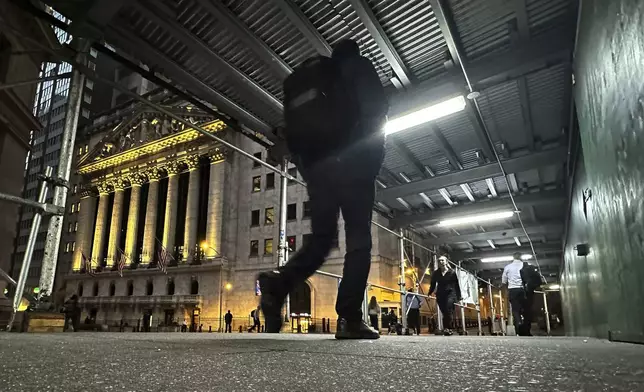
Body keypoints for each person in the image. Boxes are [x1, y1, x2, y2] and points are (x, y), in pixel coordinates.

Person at [258, 38, 388, 340]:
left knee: (322, 237)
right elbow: (376, 112)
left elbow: (296, 135)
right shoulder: (358, 68)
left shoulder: (319, 80)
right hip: (355, 166)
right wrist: (372, 161)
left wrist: (313, 169)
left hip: (319, 170)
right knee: (358, 240)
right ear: (354, 51)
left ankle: (278, 284)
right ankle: (350, 318)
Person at [429, 256, 462, 336]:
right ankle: (446, 328)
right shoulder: (436, 273)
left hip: (450, 293)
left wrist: (459, 296)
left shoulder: (452, 272)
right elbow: (433, 284)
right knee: (444, 312)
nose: (441, 262)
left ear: (446, 261)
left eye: (442, 260)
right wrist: (430, 292)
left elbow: (456, 284)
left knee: (448, 309)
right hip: (440, 294)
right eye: (439, 261)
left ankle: (448, 328)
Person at [503, 252, 529, 336]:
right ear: (521, 257)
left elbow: (504, 281)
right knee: (525, 309)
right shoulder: (525, 266)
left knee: (515, 310)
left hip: (512, 290)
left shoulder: (508, 267)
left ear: (513, 257)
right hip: (522, 290)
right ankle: (525, 328)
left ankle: (519, 325)